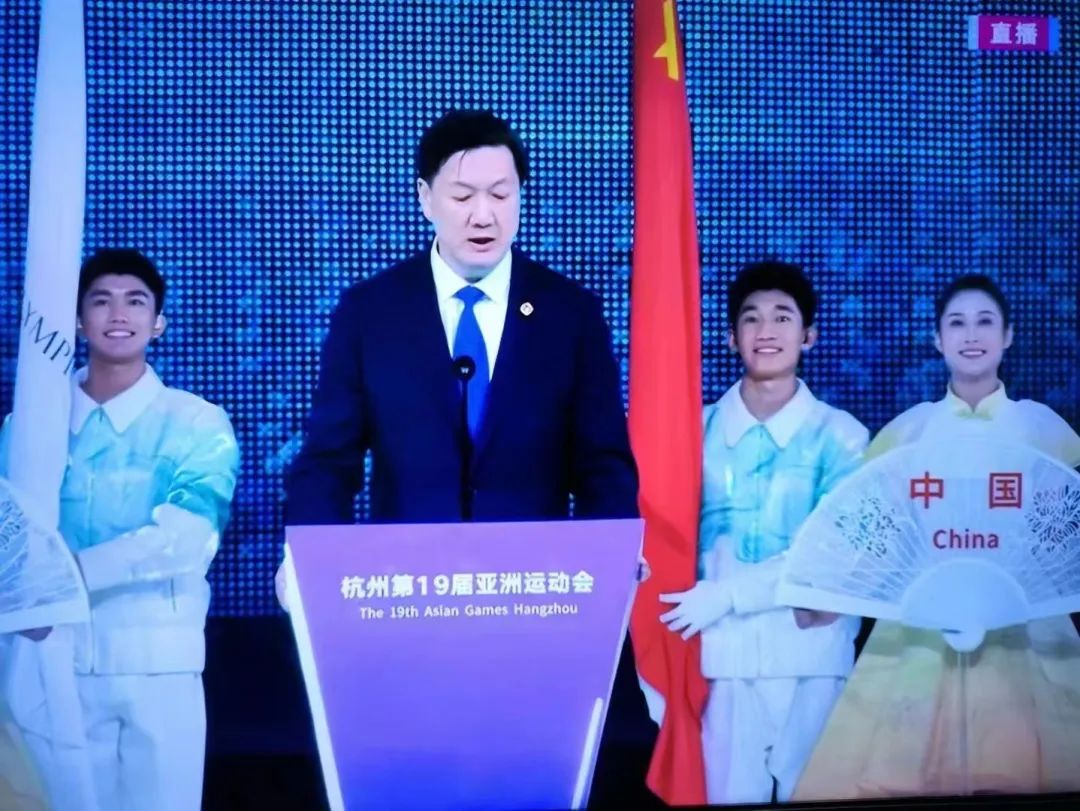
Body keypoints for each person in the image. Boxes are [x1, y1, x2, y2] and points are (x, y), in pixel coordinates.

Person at [281, 109, 651, 800]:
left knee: (524, 780)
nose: (484, 214)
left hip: (535, 607)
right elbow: (328, 460)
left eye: (502, 194)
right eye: (463, 195)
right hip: (406, 605)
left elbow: (602, 460)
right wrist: (308, 559)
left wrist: (613, 554)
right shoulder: (371, 312)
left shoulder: (570, 312)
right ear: (425, 198)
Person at [793, 273, 1080, 799]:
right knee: (906, 779)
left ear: (1008, 335)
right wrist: (825, 596)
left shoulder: (1043, 429)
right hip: (920, 628)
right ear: (937, 339)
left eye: (985, 322)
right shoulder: (910, 431)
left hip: (1024, 628)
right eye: (957, 323)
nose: (971, 335)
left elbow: (1066, 536)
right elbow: (878, 535)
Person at [0, 249, 240, 811]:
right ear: (77, 320)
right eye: (100, 301)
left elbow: (187, 539)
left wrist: (63, 576)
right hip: (47, 663)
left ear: (158, 323)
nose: (118, 314)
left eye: (135, 302)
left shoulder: (196, 421)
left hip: (157, 663)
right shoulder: (27, 426)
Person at [659, 260, 868, 804]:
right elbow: (660, 541)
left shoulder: (842, 438)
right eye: (751, 318)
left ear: (809, 335)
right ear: (732, 337)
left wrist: (729, 594)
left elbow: (834, 553)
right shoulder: (692, 434)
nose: (766, 330)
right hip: (720, 660)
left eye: (782, 317)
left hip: (813, 658)